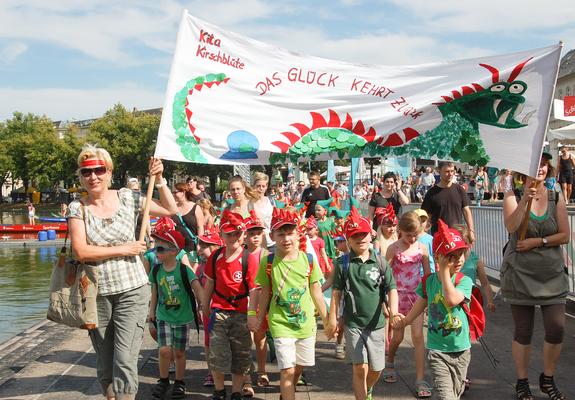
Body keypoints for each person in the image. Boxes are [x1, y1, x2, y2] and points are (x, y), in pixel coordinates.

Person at [67, 144, 177, 400]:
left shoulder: (127, 197)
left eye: (99, 170)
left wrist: (159, 180)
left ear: (109, 172)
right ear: (80, 176)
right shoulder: (77, 208)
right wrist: (125, 248)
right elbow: (81, 251)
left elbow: (170, 209)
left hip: (132, 290)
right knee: (105, 362)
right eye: (86, 172)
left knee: (125, 358)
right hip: (97, 293)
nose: (93, 176)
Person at [501, 152, 569, 400]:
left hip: (551, 273)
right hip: (520, 273)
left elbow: (564, 235)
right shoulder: (513, 194)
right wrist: (524, 201)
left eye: (543, 164)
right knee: (523, 331)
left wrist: (537, 242)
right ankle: (522, 382)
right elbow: (512, 227)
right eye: (535, 163)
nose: (540, 168)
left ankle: (547, 379)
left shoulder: (555, 193)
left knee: (556, 328)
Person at [248, 208, 328, 400]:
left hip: (305, 323)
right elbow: (264, 291)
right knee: (287, 371)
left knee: (299, 367)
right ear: (273, 236)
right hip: (280, 322)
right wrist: (256, 317)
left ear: (298, 233)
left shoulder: (308, 260)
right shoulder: (268, 262)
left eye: (290, 233)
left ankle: (287, 392)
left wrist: (327, 319)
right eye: (281, 234)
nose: (286, 239)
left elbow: (316, 291)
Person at [393, 219, 473, 400]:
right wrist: (405, 321)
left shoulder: (464, 281)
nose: (459, 259)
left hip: (461, 351)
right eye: (451, 256)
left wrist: (444, 271)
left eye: (461, 253)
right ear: (437, 258)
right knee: (446, 396)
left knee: (455, 393)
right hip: (438, 351)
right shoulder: (429, 281)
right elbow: (419, 305)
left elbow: (451, 299)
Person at [327, 207, 398, 400]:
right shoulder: (343, 264)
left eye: (363, 234)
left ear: (371, 235)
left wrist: (394, 312)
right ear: (348, 240)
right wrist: (333, 318)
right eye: (354, 235)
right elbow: (336, 293)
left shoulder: (380, 262)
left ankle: (367, 389)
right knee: (360, 368)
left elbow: (391, 288)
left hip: (376, 325)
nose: (360, 238)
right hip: (353, 325)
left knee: (376, 369)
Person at [202, 210, 256, 400]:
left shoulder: (248, 258)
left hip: (240, 313)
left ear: (243, 235)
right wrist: (204, 305)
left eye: (237, 234)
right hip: (219, 312)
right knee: (217, 352)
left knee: (240, 354)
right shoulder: (215, 257)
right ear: (222, 235)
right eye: (229, 234)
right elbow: (209, 283)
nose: (233, 237)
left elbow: (254, 290)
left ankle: (235, 391)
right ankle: (218, 390)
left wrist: (252, 313)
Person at [148, 227, 203, 399]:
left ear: (174, 251)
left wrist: (202, 306)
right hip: (163, 316)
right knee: (164, 350)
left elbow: (197, 289)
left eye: (160, 248)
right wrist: (151, 312)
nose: (156, 251)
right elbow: (155, 292)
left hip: (182, 317)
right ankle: (163, 380)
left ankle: (179, 382)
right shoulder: (156, 270)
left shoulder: (184, 270)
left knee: (179, 352)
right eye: (155, 247)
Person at [384, 211, 432, 398]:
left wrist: (428, 297)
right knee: (397, 337)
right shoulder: (393, 248)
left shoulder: (422, 249)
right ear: (400, 231)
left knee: (419, 336)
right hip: (397, 296)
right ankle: (390, 360)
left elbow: (427, 276)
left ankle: (420, 378)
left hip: (416, 297)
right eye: (408, 235)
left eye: (415, 235)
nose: (412, 239)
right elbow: (385, 276)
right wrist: (385, 302)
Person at [243, 211, 270, 389]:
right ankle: (245, 376)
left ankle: (261, 370)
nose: (255, 237)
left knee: (261, 339)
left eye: (258, 233)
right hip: (244, 301)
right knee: (246, 339)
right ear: (245, 236)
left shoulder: (267, 255)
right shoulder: (242, 254)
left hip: (262, 302)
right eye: (251, 234)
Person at [196, 226, 224, 388]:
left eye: (205, 245)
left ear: (215, 247)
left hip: (226, 309)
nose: (200, 249)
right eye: (200, 245)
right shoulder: (201, 268)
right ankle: (211, 372)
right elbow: (198, 289)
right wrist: (199, 306)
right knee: (208, 342)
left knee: (230, 342)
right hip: (209, 311)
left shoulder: (223, 265)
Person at [421, 161, 475, 242]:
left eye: (452, 171)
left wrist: (471, 231)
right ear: (439, 172)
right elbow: (425, 215)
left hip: (457, 236)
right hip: (439, 237)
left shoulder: (459, 189)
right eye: (447, 171)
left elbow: (466, 211)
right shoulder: (431, 193)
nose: (450, 174)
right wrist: (422, 233)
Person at [172, 182, 205, 256]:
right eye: (172, 192)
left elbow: (200, 227)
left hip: (192, 248)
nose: (173, 194)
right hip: (177, 248)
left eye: (175, 192)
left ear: (183, 192)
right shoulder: (173, 209)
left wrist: (200, 245)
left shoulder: (195, 207)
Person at [251, 172, 275, 249]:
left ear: (266, 186)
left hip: (272, 242)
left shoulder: (270, 200)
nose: (261, 188)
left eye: (263, 186)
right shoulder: (249, 202)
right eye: (258, 186)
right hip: (256, 244)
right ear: (254, 186)